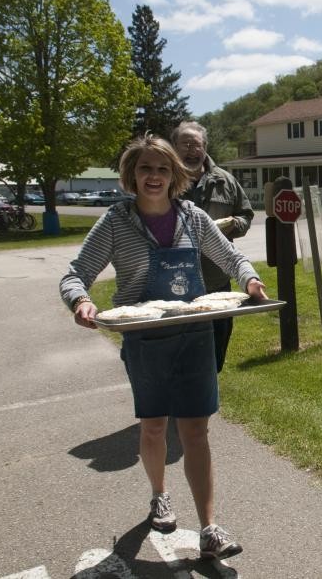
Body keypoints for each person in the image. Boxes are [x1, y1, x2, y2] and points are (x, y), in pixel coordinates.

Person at [59, 134, 268, 561]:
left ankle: (209, 528)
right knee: (154, 426)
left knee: (196, 430)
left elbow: (231, 257)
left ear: (175, 175)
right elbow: (75, 273)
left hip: (194, 336)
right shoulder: (117, 221)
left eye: (162, 169)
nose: (154, 176)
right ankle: (160, 496)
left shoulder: (192, 217)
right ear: (131, 176)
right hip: (145, 340)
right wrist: (81, 301)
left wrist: (249, 280)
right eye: (145, 168)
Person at [172, 121, 255, 373]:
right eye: (185, 144)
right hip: (175, 288)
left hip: (217, 284)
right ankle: (180, 411)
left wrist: (232, 226)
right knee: (178, 362)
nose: (191, 149)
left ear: (205, 147)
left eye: (196, 144)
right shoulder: (164, 179)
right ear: (174, 147)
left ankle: (200, 408)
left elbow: (245, 215)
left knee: (215, 360)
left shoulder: (225, 181)